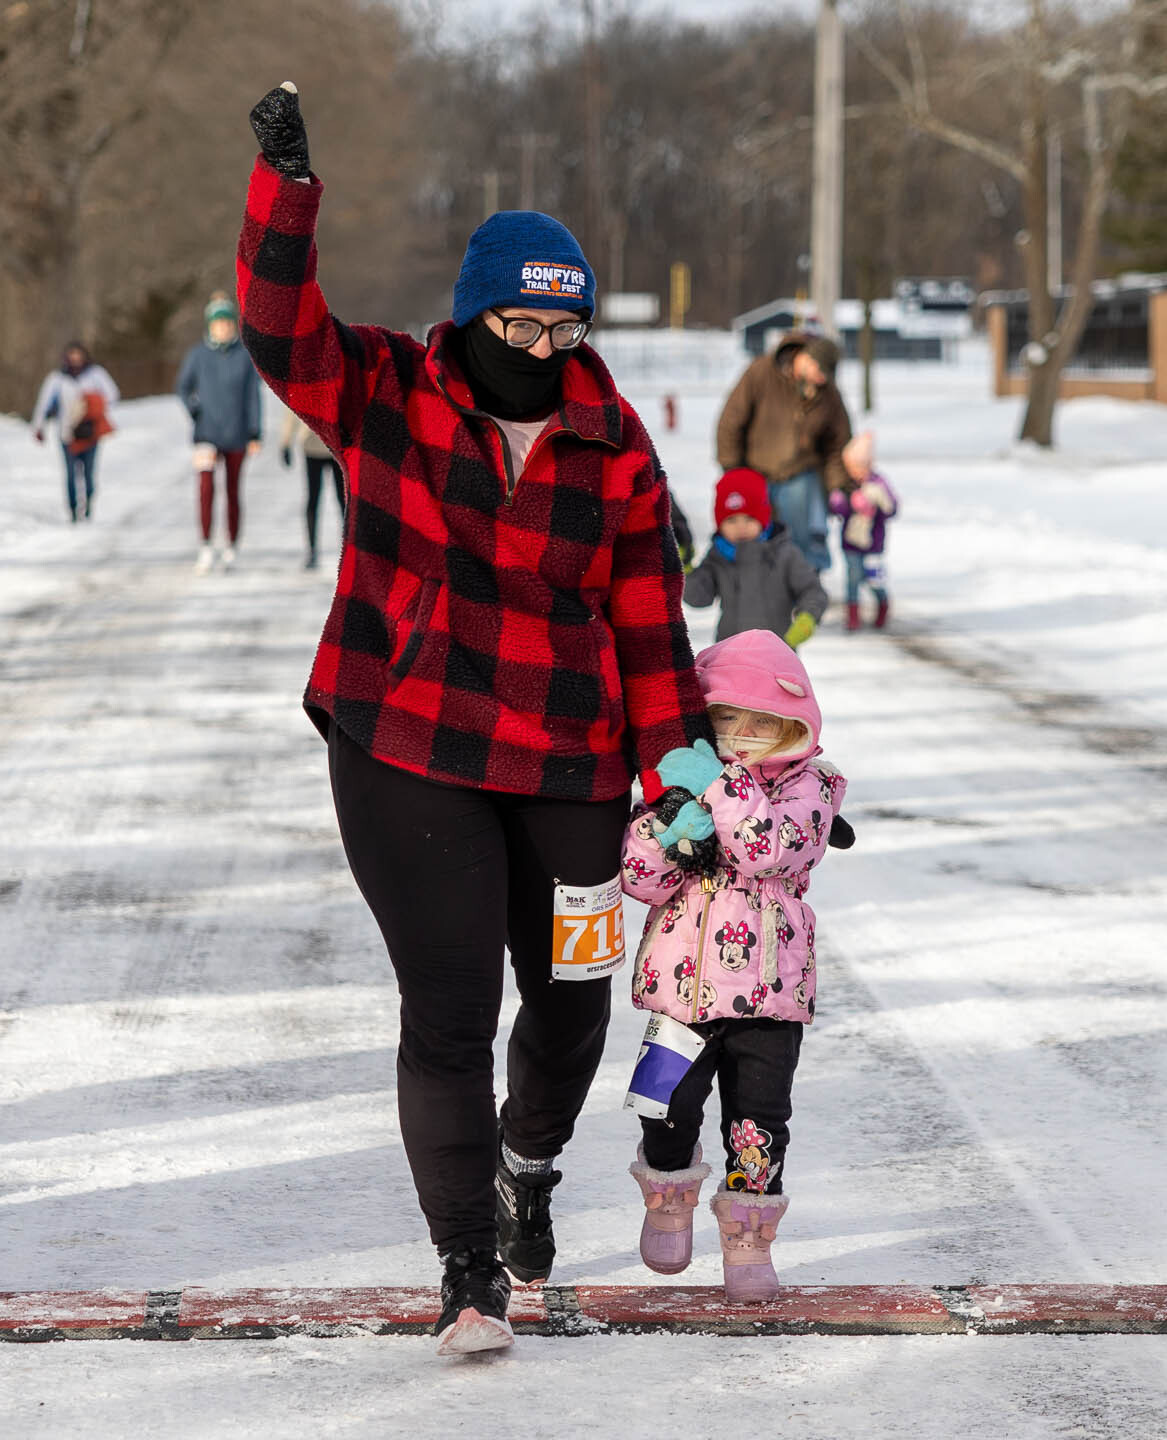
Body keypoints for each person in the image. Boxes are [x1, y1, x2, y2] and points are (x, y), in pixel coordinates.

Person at [239, 82, 713, 1356]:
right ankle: (467, 1274)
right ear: (474, 313)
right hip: (410, 741)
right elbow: (281, 332)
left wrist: (683, 780)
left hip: (569, 756)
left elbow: (650, 626)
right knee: (449, 1011)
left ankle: (527, 1163)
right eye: (523, 324)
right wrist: (287, 194)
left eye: (567, 329)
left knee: (571, 1007)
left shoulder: (613, 441)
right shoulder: (386, 388)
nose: (546, 351)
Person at [619, 629, 847, 1301]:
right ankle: (667, 1194)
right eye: (725, 719)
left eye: (761, 722)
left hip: (768, 995)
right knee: (663, 1107)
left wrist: (720, 787)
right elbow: (638, 879)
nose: (742, 737)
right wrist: (669, 832)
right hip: (677, 992)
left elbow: (766, 849)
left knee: (758, 1123)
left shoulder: (813, 787)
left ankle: (748, 1234)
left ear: (793, 724)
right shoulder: (677, 783)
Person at [715, 333, 853, 573]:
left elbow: (837, 443)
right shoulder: (761, 372)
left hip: (799, 472)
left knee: (800, 537)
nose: (821, 379)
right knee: (753, 535)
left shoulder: (827, 392)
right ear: (806, 359)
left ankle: (803, 581)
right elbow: (731, 421)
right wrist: (732, 470)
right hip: (755, 471)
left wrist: (838, 486)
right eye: (819, 371)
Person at [683, 466, 827, 647]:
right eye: (731, 520)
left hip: (777, 651)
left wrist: (807, 617)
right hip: (730, 652)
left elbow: (812, 590)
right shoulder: (717, 556)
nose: (741, 527)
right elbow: (698, 597)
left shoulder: (784, 553)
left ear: (764, 518)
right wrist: (685, 569)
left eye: (749, 519)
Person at [175, 293, 262, 573]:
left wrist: (255, 432)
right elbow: (182, 387)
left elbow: (253, 397)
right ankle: (205, 545)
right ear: (210, 326)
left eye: (227, 323)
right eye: (218, 324)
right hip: (206, 434)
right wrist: (195, 410)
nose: (223, 328)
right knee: (205, 490)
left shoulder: (244, 356)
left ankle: (231, 546)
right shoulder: (198, 355)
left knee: (233, 490)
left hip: (237, 433)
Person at [30, 342, 119, 523]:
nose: (75, 358)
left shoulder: (96, 375)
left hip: (90, 433)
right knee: (71, 474)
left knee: (88, 474)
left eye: (78, 355)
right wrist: (38, 426)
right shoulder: (57, 379)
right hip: (67, 434)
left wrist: (93, 405)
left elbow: (112, 395)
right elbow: (43, 404)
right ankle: (72, 510)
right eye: (72, 355)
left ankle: (88, 504)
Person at [827, 431, 898, 631]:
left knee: (874, 580)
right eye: (851, 467)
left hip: (874, 544)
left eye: (859, 466)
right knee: (852, 578)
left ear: (869, 464)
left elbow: (892, 508)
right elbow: (836, 508)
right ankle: (852, 617)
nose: (855, 471)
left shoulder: (879, 484)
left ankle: (882, 604)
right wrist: (845, 502)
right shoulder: (847, 486)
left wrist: (878, 503)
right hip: (851, 544)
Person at [279, 408, 346, 569]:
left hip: (337, 446)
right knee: (315, 499)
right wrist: (286, 442)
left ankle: (349, 549)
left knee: (343, 501)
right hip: (313, 446)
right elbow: (293, 408)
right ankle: (312, 550)